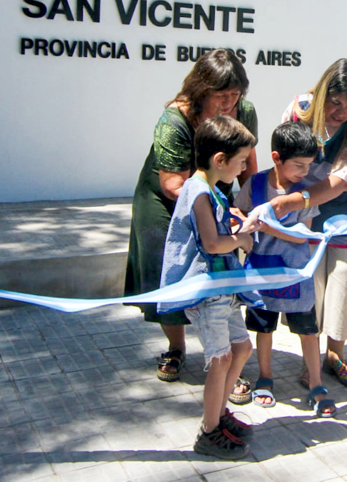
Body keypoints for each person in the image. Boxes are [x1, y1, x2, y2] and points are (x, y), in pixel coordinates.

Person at [124, 49, 258, 383]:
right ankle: (176, 347)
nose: (229, 104)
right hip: (166, 199)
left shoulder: (245, 110)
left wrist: (248, 205)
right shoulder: (175, 119)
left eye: (235, 94)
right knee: (168, 272)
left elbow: (246, 163)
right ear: (201, 90)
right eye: (221, 96)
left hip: (212, 194)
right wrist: (217, 209)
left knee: (222, 277)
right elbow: (173, 184)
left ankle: (224, 353)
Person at [262, 58, 347, 390]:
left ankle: (336, 355)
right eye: (336, 101)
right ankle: (308, 361)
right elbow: (280, 158)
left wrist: (297, 201)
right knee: (312, 281)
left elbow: (343, 178)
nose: (341, 111)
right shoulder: (299, 109)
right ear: (324, 90)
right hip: (302, 206)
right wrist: (285, 202)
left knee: (342, 277)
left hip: (344, 205)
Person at [157, 116, 256, 460]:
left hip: (222, 287)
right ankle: (209, 432)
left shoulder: (210, 189)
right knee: (221, 357)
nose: (244, 167)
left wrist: (232, 220)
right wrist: (241, 239)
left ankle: (219, 413)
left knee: (242, 349)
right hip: (205, 291)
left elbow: (211, 228)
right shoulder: (197, 191)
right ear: (219, 160)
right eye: (241, 161)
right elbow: (213, 245)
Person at [236, 122, 336, 417]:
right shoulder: (254, 184)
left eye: (308, 165)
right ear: (276, 157)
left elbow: (303, 235)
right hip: (260, 273)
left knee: (307, 329)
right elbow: (240, 214)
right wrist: (238, 223)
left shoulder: (306, 193)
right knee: (263, 327)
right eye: (298, 166)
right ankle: (265, 377)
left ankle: (316, 382)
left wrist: (266, 226)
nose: (304, 173)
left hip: (296, 273)